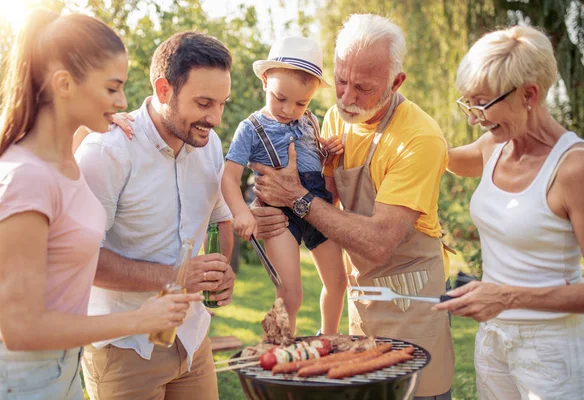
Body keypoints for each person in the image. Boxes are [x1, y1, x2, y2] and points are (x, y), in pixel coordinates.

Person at [0, 9, 200, 400]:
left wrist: (89, 123)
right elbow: (20, 328)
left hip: (59, 369)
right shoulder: (26, 177)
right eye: (111, 88)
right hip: (16, 377)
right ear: (64, 84)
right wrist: (137, 319)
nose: (123, 100)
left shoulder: (66, 157)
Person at [250, 14, 454, 399]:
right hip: (361, 309)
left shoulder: (419, 138)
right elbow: (325, 206)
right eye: (341, 81)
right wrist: (273, 210)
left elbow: (378, 242)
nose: (345, 98)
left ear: (396, 83)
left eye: (361, 88)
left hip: (414, 311)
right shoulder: (333, 120)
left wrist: (296, 197)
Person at [74, 31, 235, 400]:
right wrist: (178, 276)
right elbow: (80, 259)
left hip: (192, 341)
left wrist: (219, 270)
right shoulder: (107, 151)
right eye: (204, 102)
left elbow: (219, 218)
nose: (215, 118)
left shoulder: (209, 145)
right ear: (164, 90)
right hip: (123, 348)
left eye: (222, 104)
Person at [433, 26, 584, 399]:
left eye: (481, 104)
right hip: (493, 340)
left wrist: (507, 297)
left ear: (529, 94)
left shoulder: (572, 169)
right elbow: (440, 158)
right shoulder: (494, 146)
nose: (473, 118)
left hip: (550, 351)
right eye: (467, 104)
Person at [221, 36, 347, 335]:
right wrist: (241, 212)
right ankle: (278, 348)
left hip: (318, 208)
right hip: (280, 218)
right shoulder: (250, 128)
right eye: (280, 98)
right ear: (265, 80)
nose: (289, 109)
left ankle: (327, 338)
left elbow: (313, 164)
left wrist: (327, 151)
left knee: (339, 282)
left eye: (301, 102)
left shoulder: (311, 122)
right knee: (290, 294)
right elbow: (228, 177)